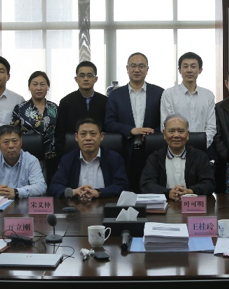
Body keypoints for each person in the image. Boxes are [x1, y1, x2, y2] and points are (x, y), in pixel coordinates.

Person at [104, 53, 164, 192]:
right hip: (124, 152)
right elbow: (109, 123)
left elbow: (165, 122)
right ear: (127, 68)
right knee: (126, 192)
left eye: (141, 66)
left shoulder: (159, 93)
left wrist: (152, 133)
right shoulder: (115, 95)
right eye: (133, 66)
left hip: (152, 151)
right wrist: (131, 130)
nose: (137, 70)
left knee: (151, 190)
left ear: (147, 69)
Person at [48, 119, 129, 201]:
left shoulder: (114, 158)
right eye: (83, 134)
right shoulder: (67, 159)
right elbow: (54, 186)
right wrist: (73, 192)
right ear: (76, 137)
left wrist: (99, 193)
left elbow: (121, 185)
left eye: (93, 134)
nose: (88, 138)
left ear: (101, 136)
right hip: (76, 207)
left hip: (105, 205)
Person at [140, 114, 216, 200]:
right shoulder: (154, 158)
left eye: (181, 131)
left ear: (187, 135)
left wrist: (190, 191)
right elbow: (146, 184)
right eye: (171, 131)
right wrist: (168, 193)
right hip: (165, 204)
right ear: (164, 134)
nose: (176, 135)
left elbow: (209, 184)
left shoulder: (200, 157)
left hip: (191, 204)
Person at [0, 124, 47, 199]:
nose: (11, 146)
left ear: (21, 142)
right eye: (6, 142)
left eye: (14, 141)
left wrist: (16, 192)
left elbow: (41, 187)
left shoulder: (31, 161)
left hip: (22, 206)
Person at [160, 52, 217, 148]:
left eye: (193, 66)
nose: (189, 70)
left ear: (200, 70)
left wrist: (202, 145)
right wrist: (180, 147)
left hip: (202, 148)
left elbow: (211, 127)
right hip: (176, 148)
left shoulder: (208, 95)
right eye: (185, 66)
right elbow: (166, 126)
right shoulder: (169, 94)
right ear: (179, 70)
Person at [11, 71, 59, 177]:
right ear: (29, 87)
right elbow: (14, 134)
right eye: (35, 84)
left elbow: (59, 132)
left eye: (42, 84)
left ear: (48, 87)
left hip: (51, 158)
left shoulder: (54, 108)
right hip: (27, 158)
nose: (39, 88)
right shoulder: (20, 109)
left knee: (52, 185)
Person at [55, 61, 108, 154]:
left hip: (100, 152)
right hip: (72, 152)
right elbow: (60, 133)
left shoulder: (106, 102)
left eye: (89, 75)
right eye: (82, 76)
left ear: (96, 79)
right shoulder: (66, 102)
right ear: (76, 79)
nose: (86, 79)